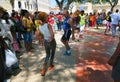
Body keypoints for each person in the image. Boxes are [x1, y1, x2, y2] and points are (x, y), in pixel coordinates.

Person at [38, 12, 56, 76]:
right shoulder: (48, 25)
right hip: (51, 42)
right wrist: (51, 38)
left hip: (45, 41)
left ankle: (43, 69)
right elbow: (52, 35)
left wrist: (41, 41)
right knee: (52, 54)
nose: (47, 17)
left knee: (47, 55)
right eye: (46, 16)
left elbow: (40, 35)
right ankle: (50, 65)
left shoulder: (39, 27)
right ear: (44, 18)